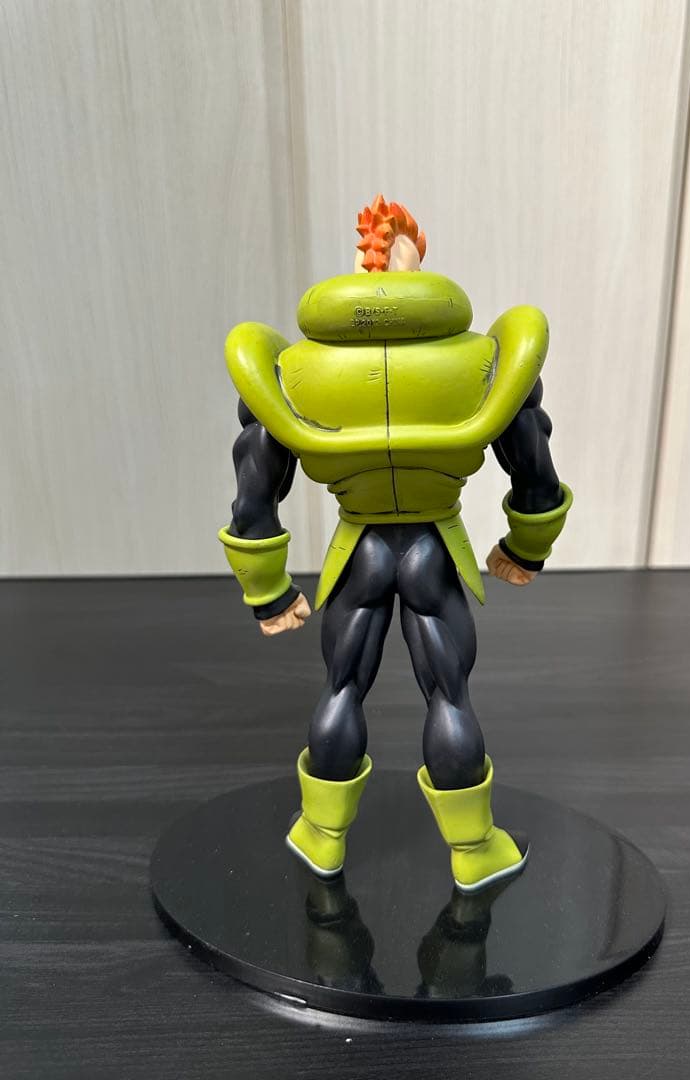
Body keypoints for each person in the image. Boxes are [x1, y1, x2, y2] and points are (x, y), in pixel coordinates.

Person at [219, 195, 571, 892]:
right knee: (448, 695)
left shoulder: (299, 368)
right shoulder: (482, 361)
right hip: (433, 548)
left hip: (361, 549)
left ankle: (321, 833)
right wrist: (527, 545)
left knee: (343, 686)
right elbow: (532, 457)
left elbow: (257, 471)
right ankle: (474, 847)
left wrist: (267, 587)